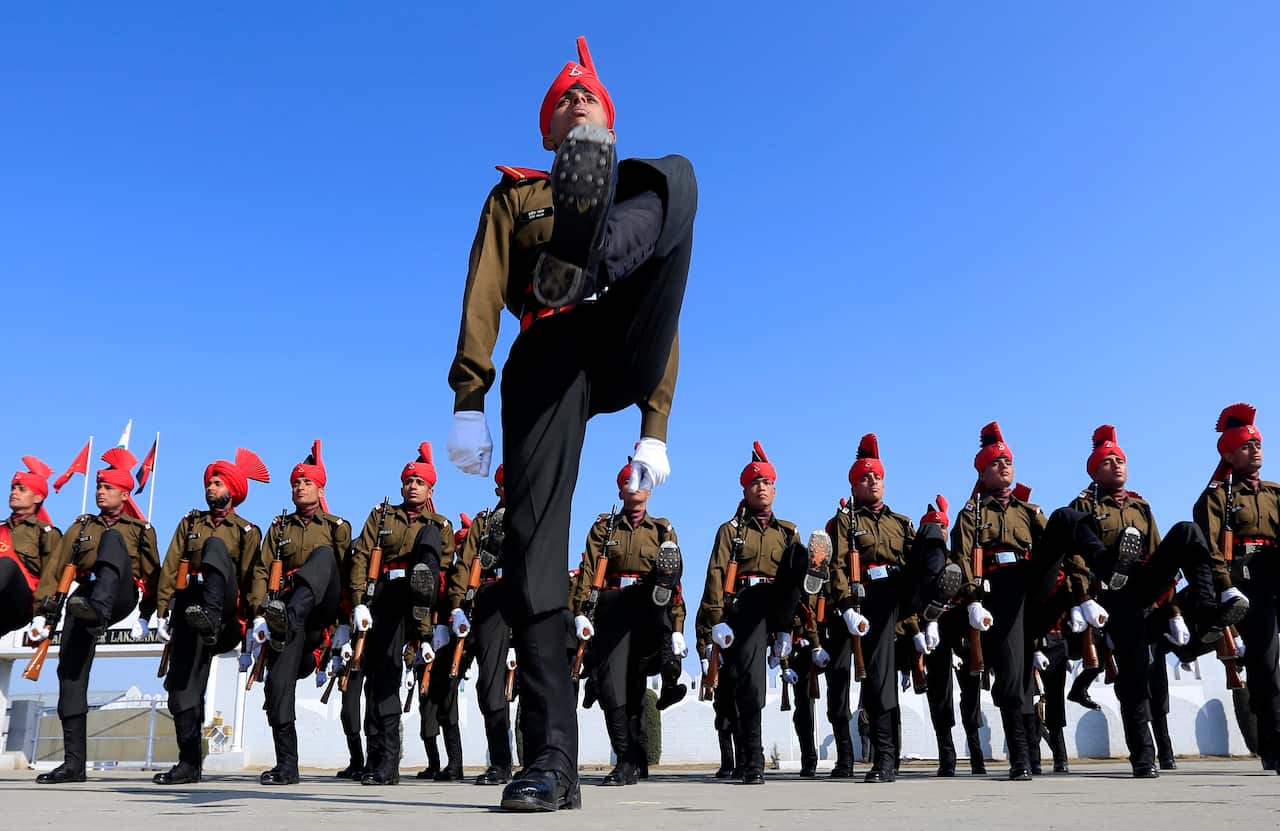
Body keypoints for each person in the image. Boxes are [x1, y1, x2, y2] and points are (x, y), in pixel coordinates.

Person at [445, 35, 696, 812]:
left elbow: (668, 319)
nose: (577, 99)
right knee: (532, 547)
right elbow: (484, 289)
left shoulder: (634, 184)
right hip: (546, 347)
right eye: (564, 99)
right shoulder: (513, 197)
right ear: (550, 132)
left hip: (619, 327)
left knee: (679, 180)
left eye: (588, 96)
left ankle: (588, 255)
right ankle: (553, 756)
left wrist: (655, 422)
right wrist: (468, 397)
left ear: (606, 125)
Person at [28, 448, 159, 784]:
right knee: (69, 674)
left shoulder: (139, 528)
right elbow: (56, 567)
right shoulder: (81, 526)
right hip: (83, 598)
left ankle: (98, 611)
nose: (100, 491)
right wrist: (42, 614)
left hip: (120, 595)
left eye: (108, 487)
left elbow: (154, 574)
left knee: (113, 540)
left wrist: (152, 613)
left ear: (125, 494)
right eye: (99, 486)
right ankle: (74, 765)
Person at [152, 448, 268, 785]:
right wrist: (162, 612)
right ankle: (189, 763)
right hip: (190, 608)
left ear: (233, 488)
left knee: (215, 548)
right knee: (181, 691)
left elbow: (251, 576)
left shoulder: (246, 531)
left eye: (218, 483)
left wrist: (253, 621)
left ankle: (212, 618)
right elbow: (171, 565)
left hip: (225, 615)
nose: (211, 488)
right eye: (209, 483)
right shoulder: (189, 523)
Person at [569, 458, 685, 786]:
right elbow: (589, 570)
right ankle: (627, 759)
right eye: (630, 482)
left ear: (650, 491)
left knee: (665, 572)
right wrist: (581, 611)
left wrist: (678, 627)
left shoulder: (663, 529)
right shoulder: (604, 528)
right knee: (615, 687)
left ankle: (670, 669)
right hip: (612, 608)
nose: (636, 488)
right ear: (620, 489)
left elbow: (674, 585)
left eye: (642, 482)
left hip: (648, 609)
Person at [694, 442, 805, 785]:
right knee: (750, 682)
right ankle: (752, 760)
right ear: (745, 488)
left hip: (778, 605)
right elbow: (715, 573)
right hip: (744, 608)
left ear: (775, 488)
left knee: (800, 557)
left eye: (767, 482)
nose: (762, 487)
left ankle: (786, 630)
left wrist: (791, 628)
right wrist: (716, 622)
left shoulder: (787, 531)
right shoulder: (731, 531)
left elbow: (794, 584)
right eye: (755, 482)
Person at [950, 422, 1052, 781]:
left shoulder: (1029, 511)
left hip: (1032, 590)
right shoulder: (971, 515)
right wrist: (972, 599)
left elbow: (1049, 551)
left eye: (1007, 461)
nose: (1004, 466)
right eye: (996, 463)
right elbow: (962, 560)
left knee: (1065, 523)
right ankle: (1023, 757)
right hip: (999, 590)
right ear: (982, 470)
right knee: (1013, 677)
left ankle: (1031, 755)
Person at [346, 442, 450, 785]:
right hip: (387, 596)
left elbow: (447, 570)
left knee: (429, 546)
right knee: (382, 679)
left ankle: (385, 765)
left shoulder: (439, 524)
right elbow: (361, 555)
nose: (412, 486)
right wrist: (360, 599)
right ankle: (382, 763)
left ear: (430, 488)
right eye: (408, 481)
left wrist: (436, 621)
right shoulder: (381, 516)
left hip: (420, 599)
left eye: (419, 482)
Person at [249, 441, 350, 785]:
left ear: (320, 488)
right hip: (286, 612)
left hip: (322, 607)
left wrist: (346, 625)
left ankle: (287, 621)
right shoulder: (279, 528)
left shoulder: (337, 526)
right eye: (295, 483)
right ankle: (286, 765)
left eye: (306, 482)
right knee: (277, 686)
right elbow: (262, 572)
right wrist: (260, 614)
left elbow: (348, 575)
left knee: (323, 557)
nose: (300, 487)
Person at [1193, 403, 1279, 773]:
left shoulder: (1276, 492)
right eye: (1245, 445)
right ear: (1228, 452)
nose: (1255, 449)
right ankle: (1273, 744)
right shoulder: (1218, 497)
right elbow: (1211, 548)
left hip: (1275, 576)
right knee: (1264, 665)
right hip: (1246, 584)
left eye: (1257, 443)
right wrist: (1226, 587)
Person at [3, 457, 61, 637]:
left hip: (21, 603)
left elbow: (51, 577)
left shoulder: (46, 533)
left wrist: (42, 617)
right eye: (13, 488)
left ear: (38, 497)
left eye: (22, 489)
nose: (14, 492)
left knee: (6, 564)